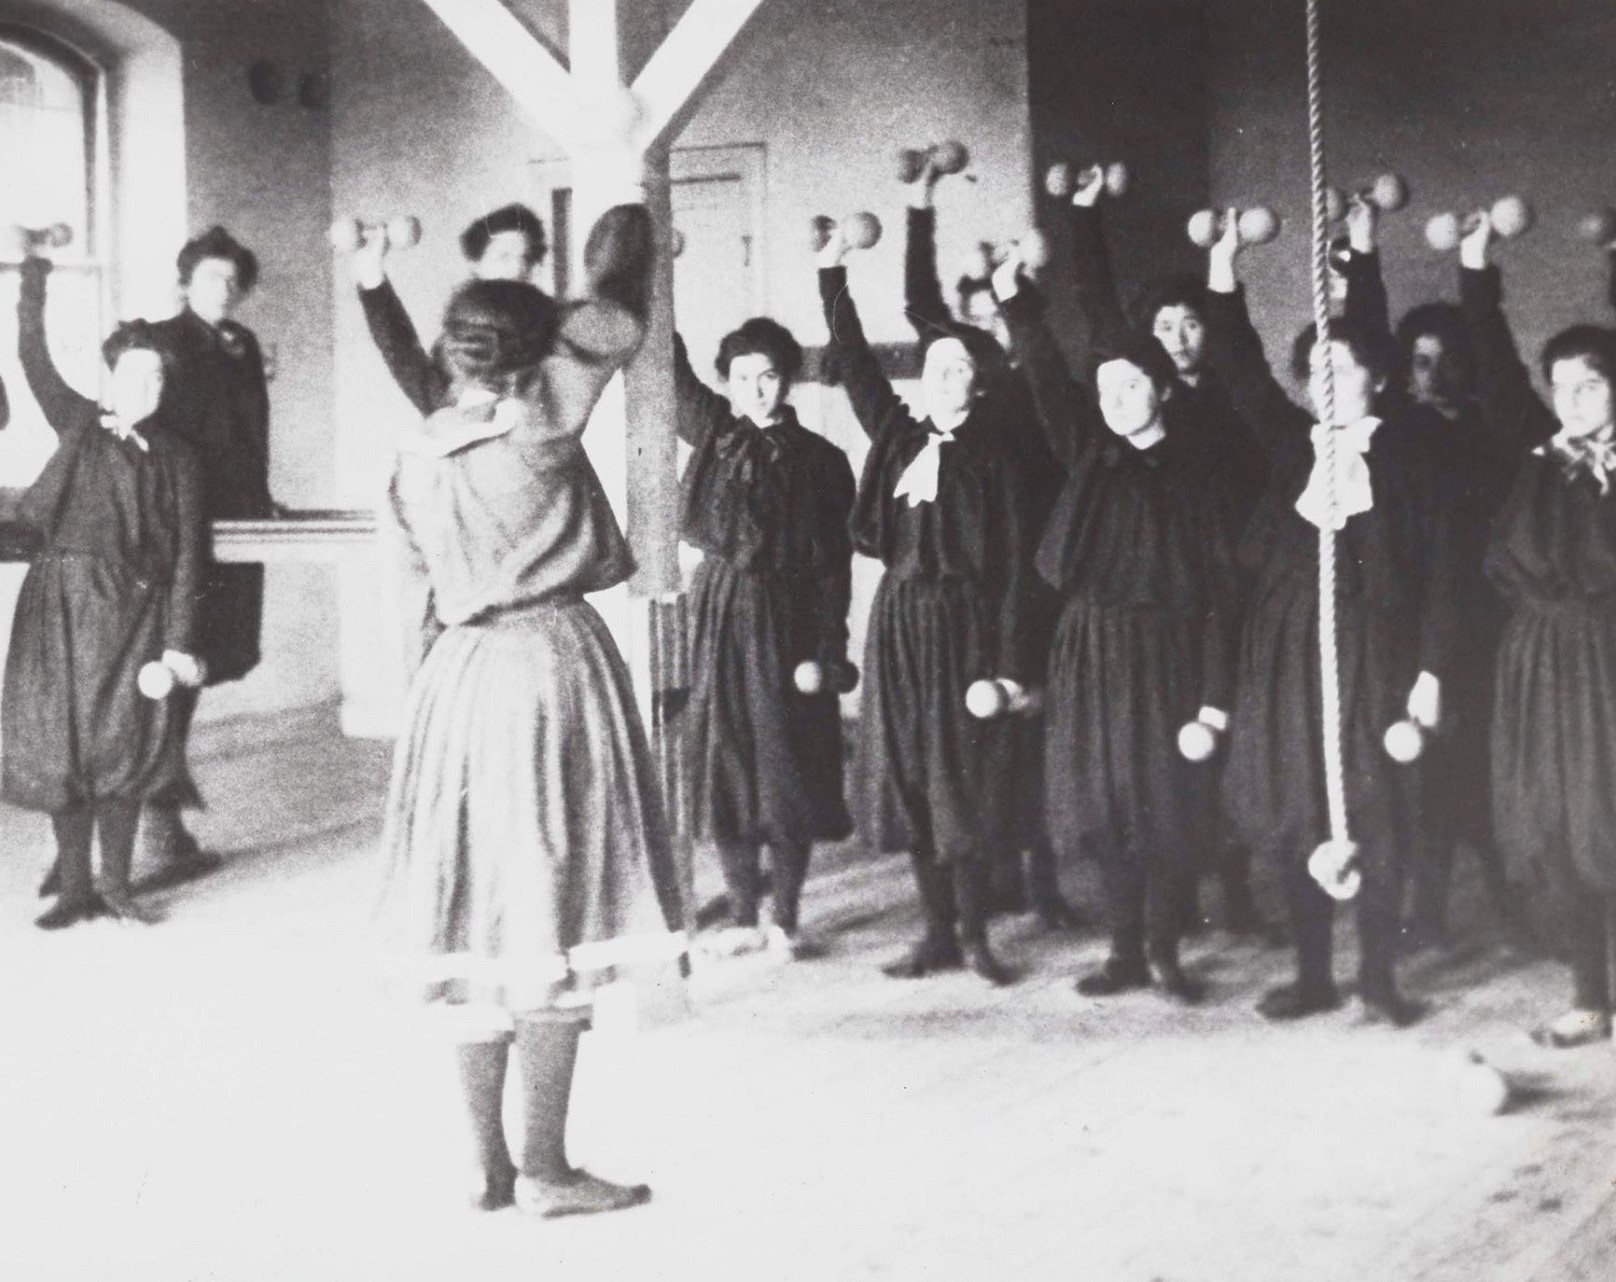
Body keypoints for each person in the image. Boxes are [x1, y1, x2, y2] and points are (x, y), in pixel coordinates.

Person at [376, 202, 683, 1216]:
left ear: (451, 353)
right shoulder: (544, 418)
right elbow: (618, 304)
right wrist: (618, 243)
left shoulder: (415, 452)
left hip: (453, 680)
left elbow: (409, 590)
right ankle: (547, 1167)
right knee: (558, 909)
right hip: (548, 666)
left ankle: (485, 1168)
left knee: (475, 916)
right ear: (526, 351)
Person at [1203, 213, 1457, 1027]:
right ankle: (1314, 974)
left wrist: (1429, 674)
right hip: (1285, 658)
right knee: (1294, 810)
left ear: (1376, 378)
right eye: (1316, 372)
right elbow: (1240, 372)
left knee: (1375, 809)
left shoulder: (1414, 460)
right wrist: (1222, 266)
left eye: (1342, 369)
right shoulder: (1292, 449)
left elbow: (1446, 578)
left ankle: (1379, 975)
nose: (1328, 383)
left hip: (1375, 654)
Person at [994, 257, 1238, 1002]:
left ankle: (1165, 950)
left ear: (1163, 388)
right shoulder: (1088, 456)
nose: (1117, 399)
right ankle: (1124, 949)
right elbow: (1043, 379)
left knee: (1161, 805)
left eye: (1132, 384)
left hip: (1166, 655)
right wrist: (1017, 303)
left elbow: (1222, 600)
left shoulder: (1199, 475)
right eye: (1106, 389)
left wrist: (1214, 700)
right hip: (1088, 653)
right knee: (1099, 805)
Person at [819, 223, 1032, 986]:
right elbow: (853, 368)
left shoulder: (1001, 460)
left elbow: (1014, 575)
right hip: (899, 626)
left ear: (979, 381)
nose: (945, 376)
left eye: (959, 367)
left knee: (963, 783)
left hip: (968, 632)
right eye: (936, 365)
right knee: (911, 778)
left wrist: (1008, 668)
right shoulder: (900, 440)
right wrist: (831, 274)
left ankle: (976, 936)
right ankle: (937, 932)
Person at [1064, 165, 1273, 939]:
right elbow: (1095, 316)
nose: (1179, 338)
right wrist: (1084, 219)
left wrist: (1227, 274)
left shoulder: (1227, 400)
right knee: (1147, 774)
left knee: (1210, 755)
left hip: (1218, 584)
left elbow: (1244, 352)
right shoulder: (1125, 417)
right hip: (1148, 603)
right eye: (1165, 328)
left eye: (1192, 324)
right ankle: (1167, 918)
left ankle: (1235, 891)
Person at [900, 149, 1078, 930]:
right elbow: (916, 301)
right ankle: (994, 884)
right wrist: (921, 207)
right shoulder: (957, 381)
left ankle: (1043, 887)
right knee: (983, 736)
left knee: (1028, 729)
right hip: (991, 558)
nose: (977, 323)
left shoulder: (1031, 377)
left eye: (991, 311)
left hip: (1039, 565)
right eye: (969, 311)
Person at [1339, 200, 1522, 948]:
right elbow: (1367, 339)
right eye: (1417, 359)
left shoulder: (1495, 427)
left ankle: (1513, 910)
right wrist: (1363, 255)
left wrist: (1476, 271)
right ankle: (1432, 914)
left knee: (1483, 775)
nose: (1431, 372)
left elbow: (1500, 362)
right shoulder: (1400, 437)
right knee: (1424, 776)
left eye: (1447, 357)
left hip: (1494, 626)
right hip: (1420, 630)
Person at [6, 255, 203, 929]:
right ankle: (74, 889)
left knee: (123, 745)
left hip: (133, 616)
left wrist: (178, 645)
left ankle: (117, 886)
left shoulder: (180, 457)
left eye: (156, 375)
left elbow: (186, 561)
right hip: (56, 609)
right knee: (62, 746)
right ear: (109, 377)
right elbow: (31, 355)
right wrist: (33, 279)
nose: (144, 384)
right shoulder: (77, 421)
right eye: (132, 372)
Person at [1459, 212, 1616, 1049]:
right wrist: (1477, 268)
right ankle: (1590, 992)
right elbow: (1491, 365)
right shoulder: (1538, 452)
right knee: (1558, 827)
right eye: (1563, 386)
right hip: (1543, 667)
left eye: (1591, 384)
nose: (1573, 401)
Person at [674, 318, 856, 957]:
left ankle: (786, 917)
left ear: (787, 380)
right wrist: (651, 271)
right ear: (727, 383)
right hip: (718, 614)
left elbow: (834, 569)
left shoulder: (822, 462)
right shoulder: (715, 437)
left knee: (785, 765)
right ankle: (744, 915)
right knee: (726, 758)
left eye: (769, 376)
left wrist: (829, 650)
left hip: (789, 621)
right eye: (742, 377)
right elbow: (669, 368)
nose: (755, 390)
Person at [142, 225, 275, 877]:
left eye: (232, 279)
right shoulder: (160, 344)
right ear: (185, 284)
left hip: (238, 517)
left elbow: (251, 429)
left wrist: (262, 495)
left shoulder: (241, 343)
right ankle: (156, 821)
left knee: (200, 663)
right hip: (181, 525)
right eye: (211, 278)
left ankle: (162, 816)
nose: (225, 289)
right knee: (171, 661)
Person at [354, 203, 549, 415]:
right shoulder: (461, 341)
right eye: (504, 257)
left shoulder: (550, 326)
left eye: (526, 258)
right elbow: (420, 381)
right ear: (476, 265)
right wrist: (372, 277)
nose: (517, 269)